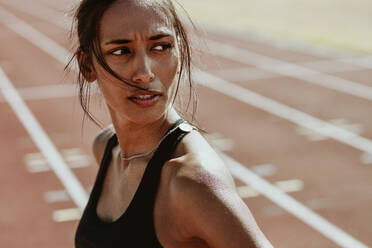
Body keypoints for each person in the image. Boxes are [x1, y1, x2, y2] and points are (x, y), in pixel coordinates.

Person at [68, 0, 273, 247]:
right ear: (87, 65)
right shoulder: (106, 148)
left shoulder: (191, 182)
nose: (145, 72)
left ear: (179, 50)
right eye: (121, 51)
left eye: (161, 47)